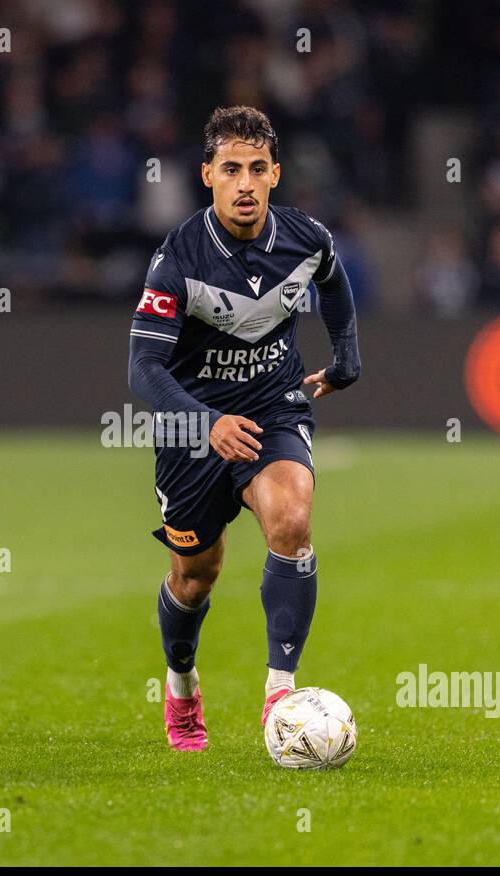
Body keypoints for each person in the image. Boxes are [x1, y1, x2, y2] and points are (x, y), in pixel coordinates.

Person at [127, 105, 361, 751]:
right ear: (208, 175)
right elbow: (143, 369)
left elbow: (334, 285)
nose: (246, 182)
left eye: (258, 168)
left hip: (273, 407)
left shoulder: (306, 238)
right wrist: (204, 423)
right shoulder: (178, 257)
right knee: (195, 575)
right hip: (191, 427)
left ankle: (279, 694)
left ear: (276, 174)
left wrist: (346, 360)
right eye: (231, 169)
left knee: (291, 519)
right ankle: (181, 686)